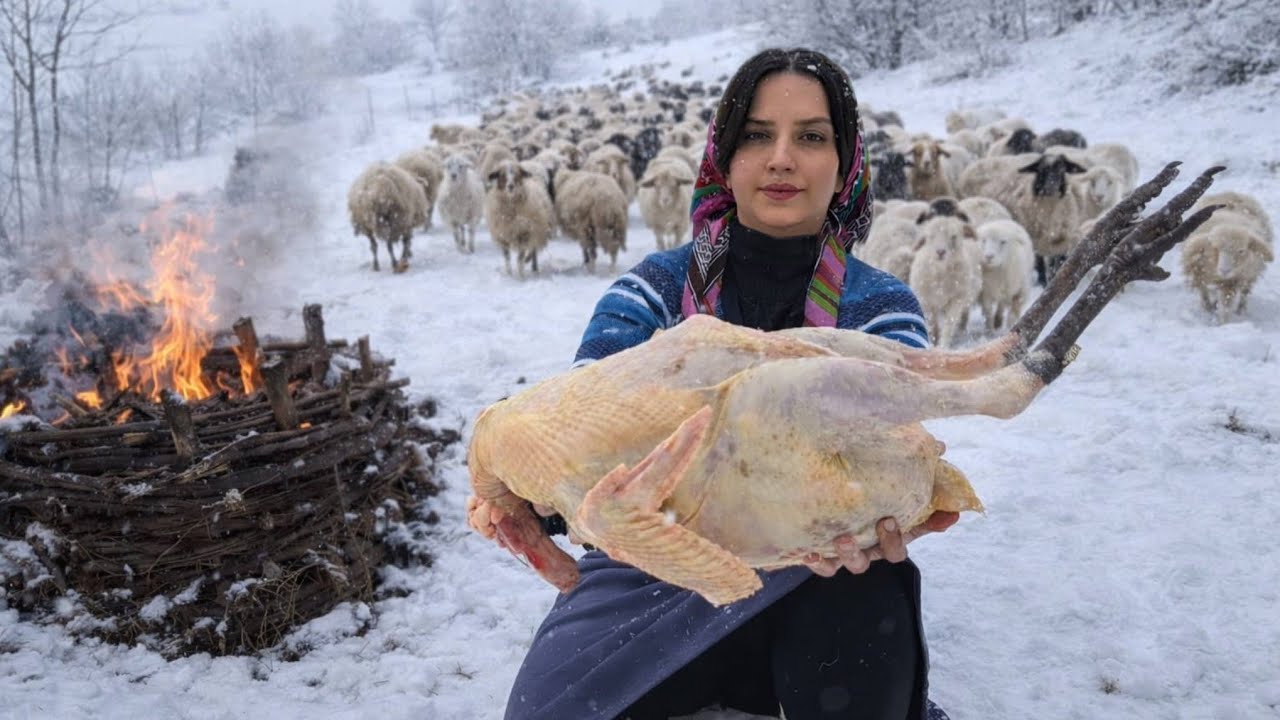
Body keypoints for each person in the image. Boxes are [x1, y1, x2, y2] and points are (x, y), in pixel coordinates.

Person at [501, 48, 957, 720]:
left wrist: (884, 507)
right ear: (725, 155)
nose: (781, 159)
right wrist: (531, 482)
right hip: (650, 570)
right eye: (756, 135)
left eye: (811, 137)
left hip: (820, 573)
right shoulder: (654, 290)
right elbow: (580, 431)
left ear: (846, 163)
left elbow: (885, 457)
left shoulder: (878, 308)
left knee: (862, 602)